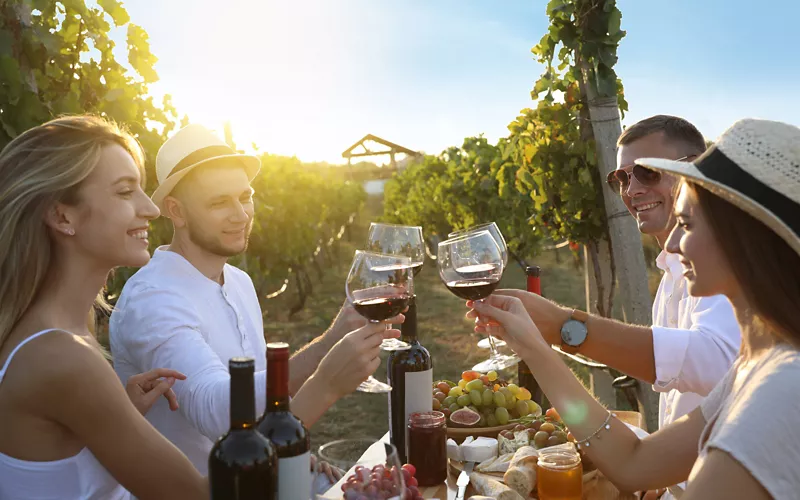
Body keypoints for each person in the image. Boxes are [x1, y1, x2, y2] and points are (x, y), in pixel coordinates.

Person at [470, 118, 800, 499]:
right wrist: (534, 344)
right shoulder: (756, 368)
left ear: (743, 238)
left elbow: (709, 355)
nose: (672, 243)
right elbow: (634, 463)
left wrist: (562, 326)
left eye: (687, 223)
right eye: (622, 179)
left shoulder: (781, 391)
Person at [109, 123, 401, 476]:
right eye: (219, 202)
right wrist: (326, 375)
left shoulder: (239, 282)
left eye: (245, 196)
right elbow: (216, 411)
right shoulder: (152, 299)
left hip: (262, 475)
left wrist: (336, 334)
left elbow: (263, 393)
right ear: (177, 211)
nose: (241, 214)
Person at [0, 115, 207, 499]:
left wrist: (118, 410)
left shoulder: (53, 332)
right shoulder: (61, 356)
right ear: (63, 216)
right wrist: (324, 386)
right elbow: (196, 496)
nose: (151, 209)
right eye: (126, 192)